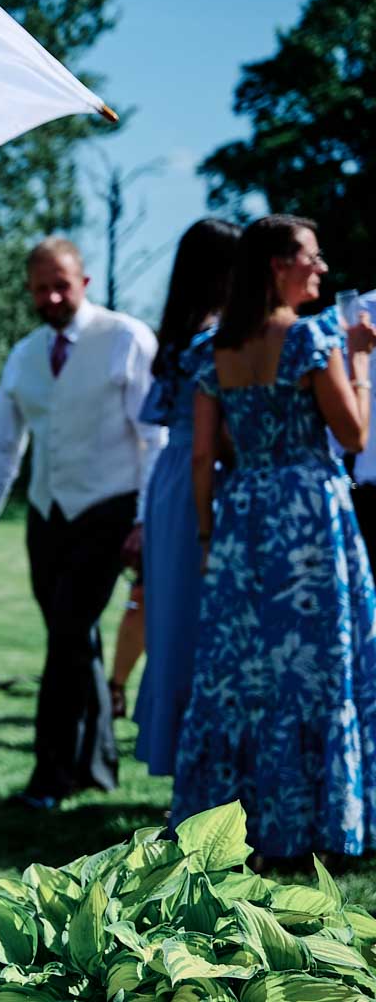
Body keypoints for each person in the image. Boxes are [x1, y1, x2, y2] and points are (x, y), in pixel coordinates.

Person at [172, 215, 376, 863]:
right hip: (308, 515)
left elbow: (205, 456)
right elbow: (354, 436)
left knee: (243, 673)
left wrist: (208, 533)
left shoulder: (213, 349)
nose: (320, 269)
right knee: (313, 668)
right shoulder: (316, 339)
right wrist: (361, 357)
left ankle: (233, 823)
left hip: (241, 518)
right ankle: (314, 818)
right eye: (310, 258)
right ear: (276, 267)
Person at [0, 236, 164, 809]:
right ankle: (97, 767)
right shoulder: (25, 354)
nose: (52, 295)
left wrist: (146, 520)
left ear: (85, 283)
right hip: (48, 518)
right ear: (28, 290)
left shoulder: (126, 338)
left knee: (69, 636)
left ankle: (50, 777)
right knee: (75, 639)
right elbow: (2, 448)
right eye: (40, 287)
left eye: (62, 284)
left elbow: (153, 439)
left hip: (111, 511)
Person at [131, 218, 241, 775]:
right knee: (199, 618)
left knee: (173, 618)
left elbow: (152, 414)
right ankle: (203, 753)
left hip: (171, 479)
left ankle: (181, 749)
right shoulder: (214, 340)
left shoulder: (177, 336)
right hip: (206, 474)